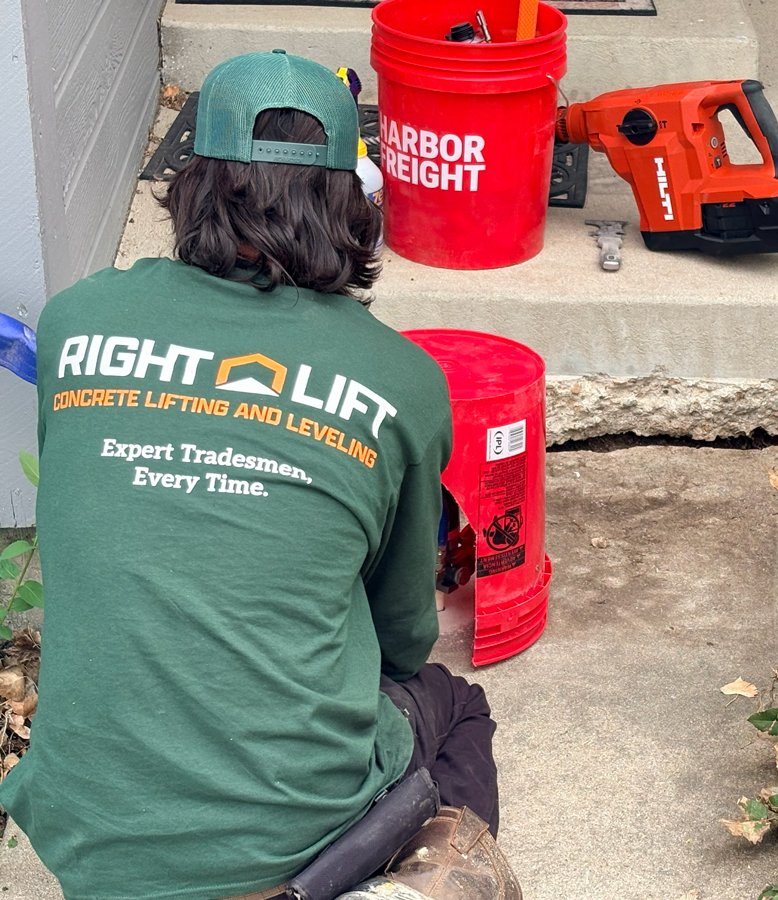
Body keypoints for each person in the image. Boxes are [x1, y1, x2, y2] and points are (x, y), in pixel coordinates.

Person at [0, 50, 517, 900]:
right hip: (287, 826)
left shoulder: (77, 320)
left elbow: (93, 520)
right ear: (352, 204)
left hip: (89, 828)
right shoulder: (397, 380)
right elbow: (401, 635)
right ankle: (390, 886)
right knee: (452, 704)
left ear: (192, 183)